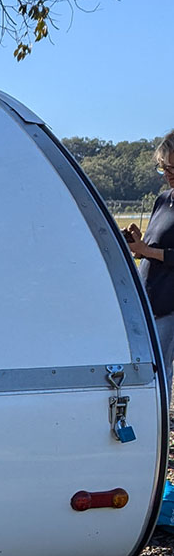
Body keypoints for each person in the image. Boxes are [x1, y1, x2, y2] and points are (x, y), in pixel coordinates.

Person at [127, 130, 174, 405]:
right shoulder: (163, 200)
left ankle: (160, 422)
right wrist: (139, 244)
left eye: (173, 168)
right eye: (164, 168)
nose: (168, 174)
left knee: (159, 369)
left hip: (168, 303)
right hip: (148, 297)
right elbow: (153, 248)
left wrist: (148, 251)